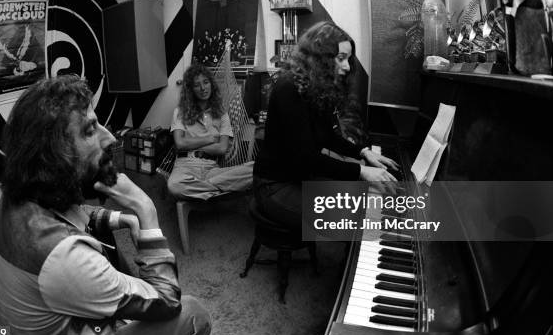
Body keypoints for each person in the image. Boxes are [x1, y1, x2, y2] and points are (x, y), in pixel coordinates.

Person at [0, 75, 211, 335]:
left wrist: (121, 218)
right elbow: (167, 301)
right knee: (194, 315)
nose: (109, 139)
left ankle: (119, 303)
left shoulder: (17, 197)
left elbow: (74, 212)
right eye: (90, 131)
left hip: (45, 321)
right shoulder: (66, 256)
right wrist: (145, 210)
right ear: (55, 154)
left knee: (106, 236)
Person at [253, 21, 399, 229]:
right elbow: (305, 158)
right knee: (355, 217)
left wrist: (363, 152)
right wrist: (360, 171)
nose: (347, 66)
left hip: (299, 176)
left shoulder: (315, 88)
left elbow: (327, 137)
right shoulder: (288, 88)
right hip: (274, 185)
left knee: (361, 199)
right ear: (320, 58)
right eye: (341, 58)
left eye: (348, 59)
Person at [167, 64, 253, 201]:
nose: (203, 88)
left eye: (206, 82)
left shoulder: (222, 114)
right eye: (197, 85)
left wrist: (191, 143)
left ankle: (204, 190)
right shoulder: (180, 111)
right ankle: (220, 190)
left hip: (212, 169)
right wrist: (210, 139)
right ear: (190, 90)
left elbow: (222, 148)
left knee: (255, 169)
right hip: (185, 166)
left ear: (211, 84)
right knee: (174, 185)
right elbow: (180, 144)